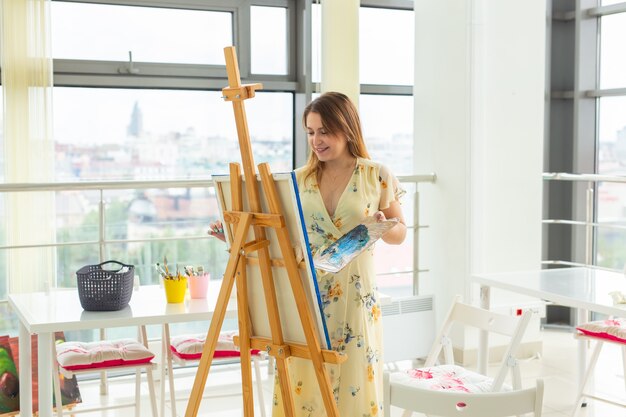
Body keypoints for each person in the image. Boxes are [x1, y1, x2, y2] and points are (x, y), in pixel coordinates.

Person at [209, 91, 406, 417]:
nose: (316, 140)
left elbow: (400, 233)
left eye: (324, 131)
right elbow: (276, 236)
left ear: (346, 129)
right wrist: (234, 234)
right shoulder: (297, 181)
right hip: (306, 294)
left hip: (356, 295)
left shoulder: (377, 174)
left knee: (354, 378)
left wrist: (384, 225)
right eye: (311, 132)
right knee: (303, 377)